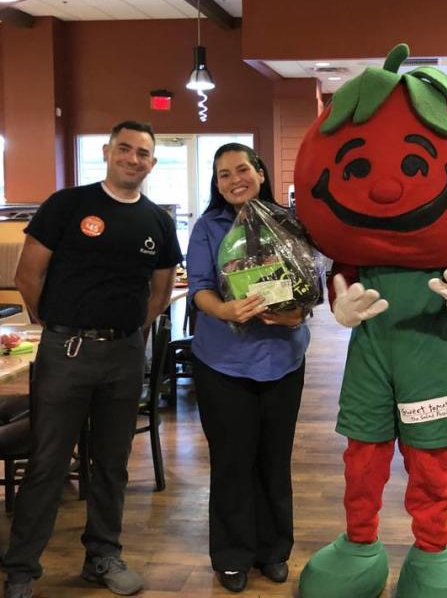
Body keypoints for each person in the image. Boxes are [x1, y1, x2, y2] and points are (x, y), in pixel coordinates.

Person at [2, 120, 182, 598]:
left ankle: (103, 555)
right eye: (125, 148)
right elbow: (27, 276)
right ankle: (21, 568)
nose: (133, 158)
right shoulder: (68, 205)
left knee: (112, 463)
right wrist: (60, 326)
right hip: (66, 352)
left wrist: (124, 337)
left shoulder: (158, 223)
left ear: (152, 163)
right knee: (47, 463)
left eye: (143, 153)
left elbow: (159, 294)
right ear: (107, 152)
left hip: (123, 356)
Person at [185, 143, 311, 594]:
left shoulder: (290, 221)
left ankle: (273, 551)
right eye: (223, 174)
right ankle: (233, 555)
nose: (234, 179)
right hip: (223, 364)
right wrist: (225, 311)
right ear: (217, 184)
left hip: (283, 361)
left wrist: (298, 313)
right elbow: (198, 287)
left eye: (242, 169)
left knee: (274, 462)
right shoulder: (209, 227)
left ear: (260, 172)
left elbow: (309, 282)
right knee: (233, 462)